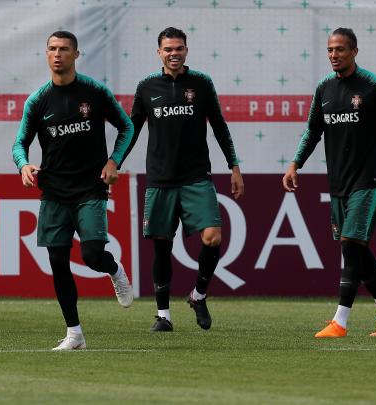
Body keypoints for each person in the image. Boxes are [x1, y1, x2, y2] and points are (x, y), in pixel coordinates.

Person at [282, 28, 376, 338]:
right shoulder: (324, 89)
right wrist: (294, 164)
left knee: (351, 244)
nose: (333, 54)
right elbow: (312, 131)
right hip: (338, 183)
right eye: (330, 49)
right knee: (357, 249)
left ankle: (340, 322)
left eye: (340, 49)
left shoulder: (373, 86)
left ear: (354, 51)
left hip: (368, 180)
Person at [12, 31, 135, 350]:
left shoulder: (94, 92)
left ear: (76, 55)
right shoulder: (38, 100)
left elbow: (127, 126)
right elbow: (19, 143)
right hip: (53, 192)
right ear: (46, 53)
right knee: (57, 263)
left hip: (90, 189)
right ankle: (74, 334)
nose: (57, 54)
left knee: (92, 254)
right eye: (52, 48)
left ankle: (114, 268)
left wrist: (114, 161)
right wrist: (24, 165)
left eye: (64, 49)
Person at [124, 27, 244, 332]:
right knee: (162, 247)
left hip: (195, 177)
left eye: (178, 48)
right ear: (159, 53)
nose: (173, 54)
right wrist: (114, 162)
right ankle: (163, 316)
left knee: (213, 237)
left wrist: (234, 166)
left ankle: (198, 295)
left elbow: (219, 126)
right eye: (168, 49)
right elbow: (132, 130)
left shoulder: (201, 84)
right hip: (160, 180)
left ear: (186, 51)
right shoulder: (146, 87)